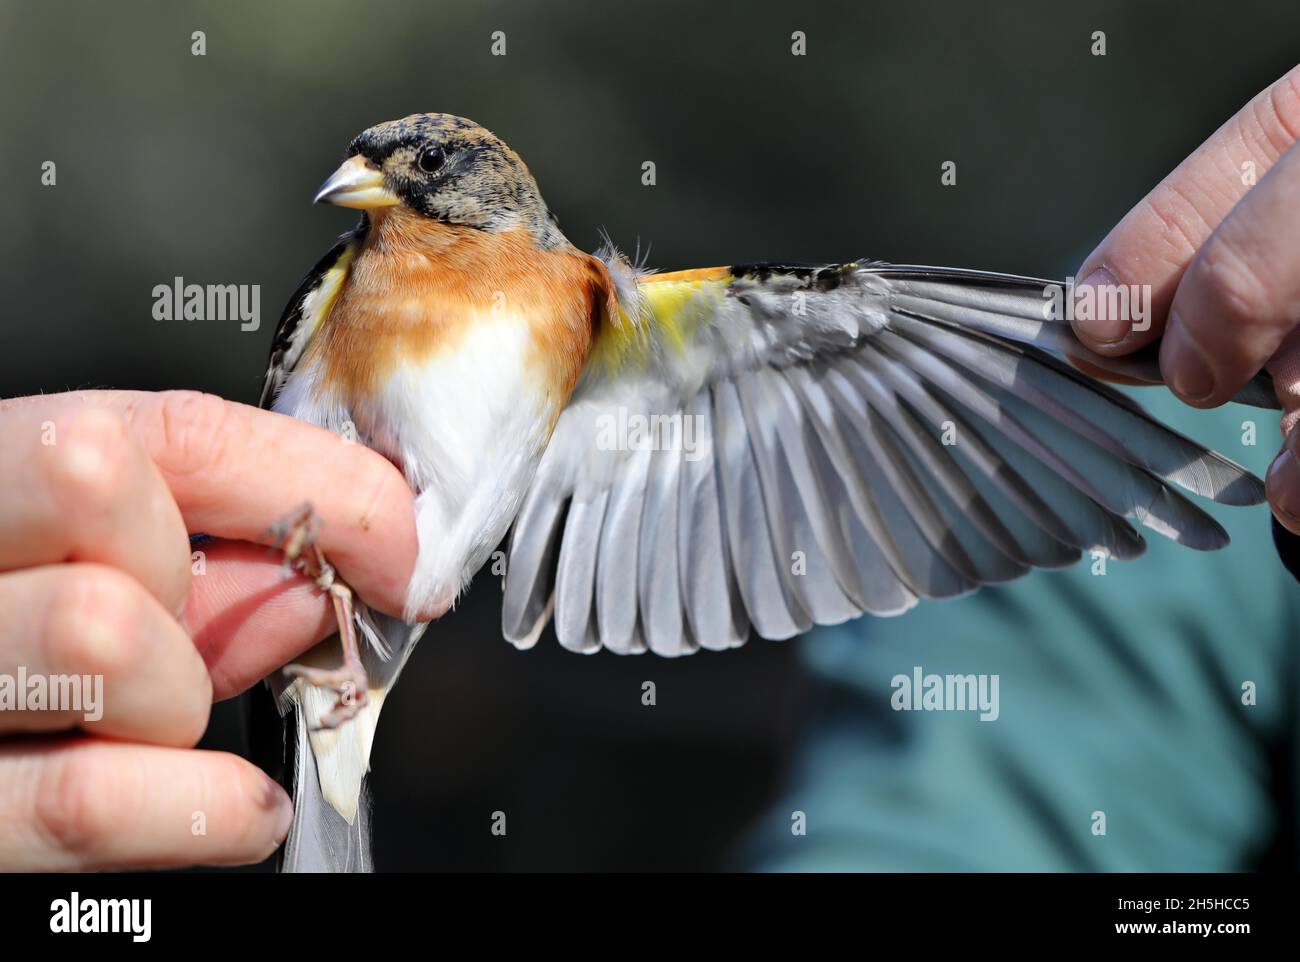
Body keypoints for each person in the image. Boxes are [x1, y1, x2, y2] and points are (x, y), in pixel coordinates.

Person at [2, 66, 1298, 871]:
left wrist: (1138, 372)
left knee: (841, 306)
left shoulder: (604, 310)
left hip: (382, 612)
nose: (374, 182)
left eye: (421, 165)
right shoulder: (341, 286)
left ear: (494, 182)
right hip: (247, 629)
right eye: (370, 165)